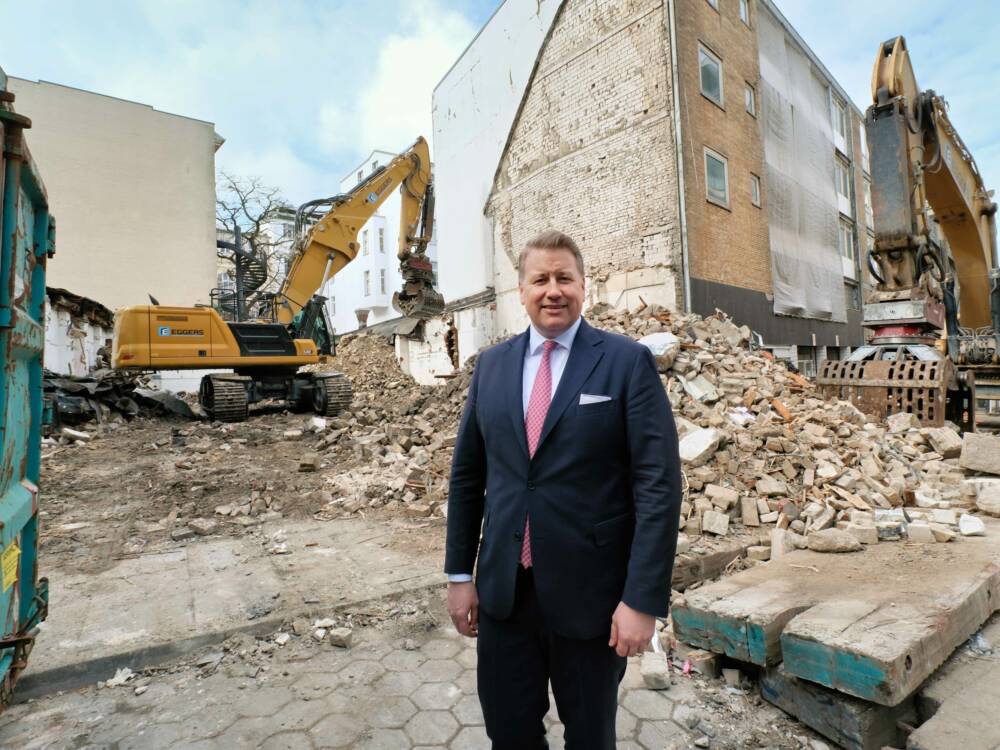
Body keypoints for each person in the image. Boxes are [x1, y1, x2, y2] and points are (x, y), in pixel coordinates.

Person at [445, 230, 682, 749]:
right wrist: (460, 575)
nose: (553, 290)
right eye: (540, 279)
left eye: (564, 278)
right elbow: (468, 478)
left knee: (591, 738)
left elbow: (658, 486)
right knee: (509, 733)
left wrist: (642, 600)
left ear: (583, 286)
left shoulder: (625, 362)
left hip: (591, 600)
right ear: (522, 289)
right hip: (505, 596)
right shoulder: (492, 367)